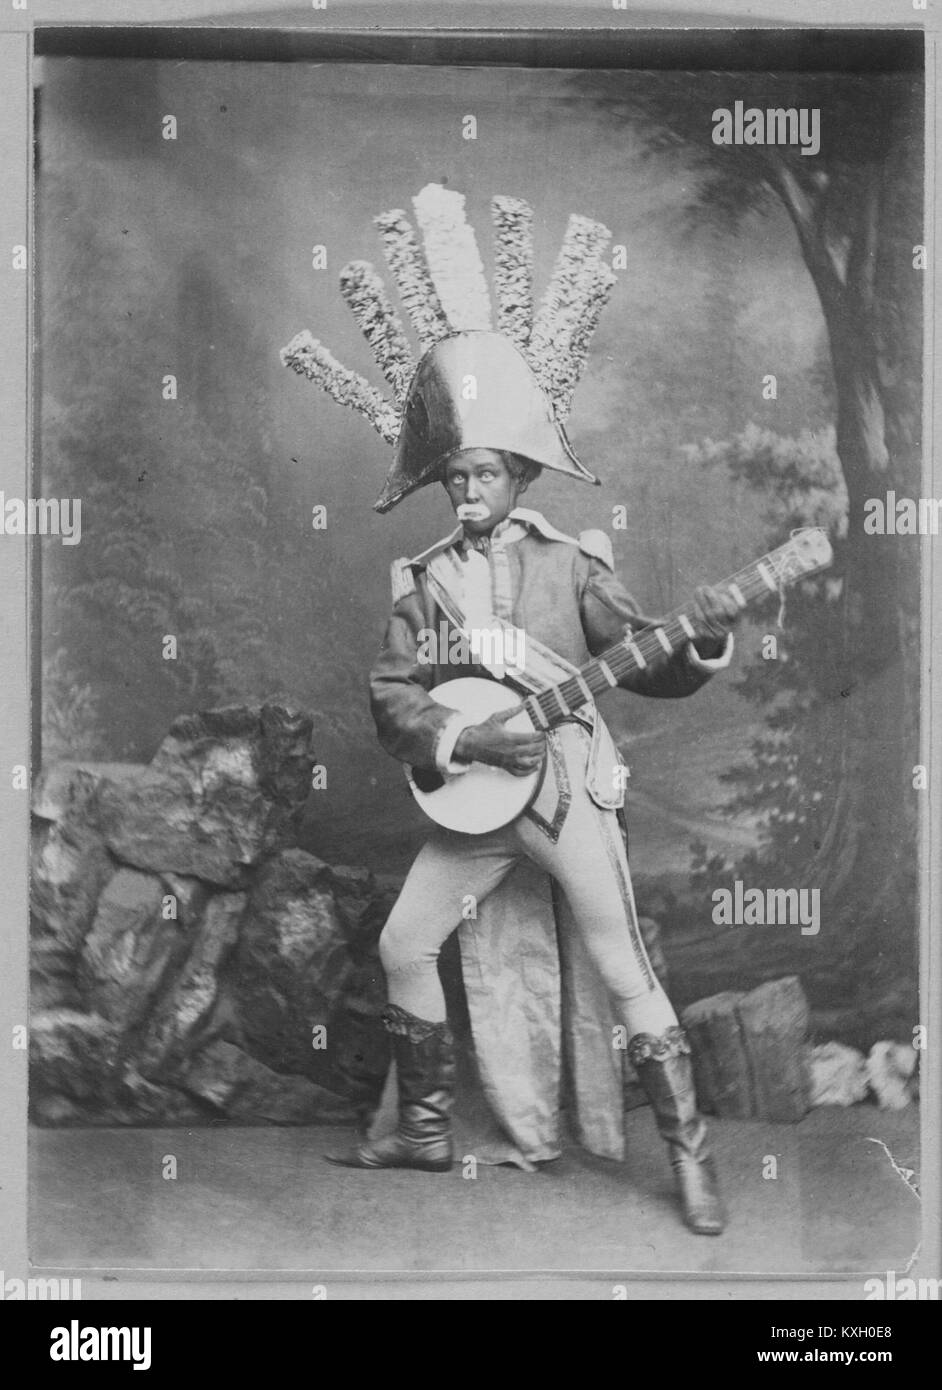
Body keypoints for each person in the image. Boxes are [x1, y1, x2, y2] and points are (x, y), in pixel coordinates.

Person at [283, 184, 741, 1235]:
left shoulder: (573, 563)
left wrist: (702, 635)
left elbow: (647, 658)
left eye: (486, 472)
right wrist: (463, 736)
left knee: (622, 960)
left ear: (521, 469)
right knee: (406, 943)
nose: (469, 491)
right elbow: (392, 693)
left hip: (568, 787)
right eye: (457, 474)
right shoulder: (425, 579)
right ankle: (425, 1130)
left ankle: (691, 1159)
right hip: (479, 795)